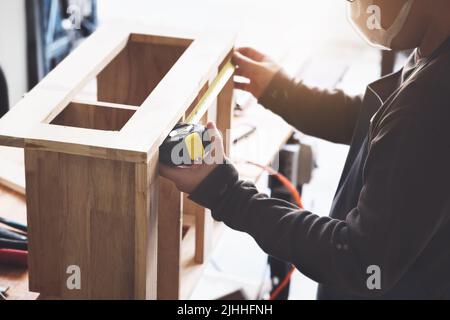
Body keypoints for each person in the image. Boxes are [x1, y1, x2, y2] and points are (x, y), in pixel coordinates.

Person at [161, 0, 450, 299]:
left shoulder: (432, 103)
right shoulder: (434, 48)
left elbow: (360, 262)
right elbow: (378, 121)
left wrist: (227, 193)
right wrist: (283, 92)